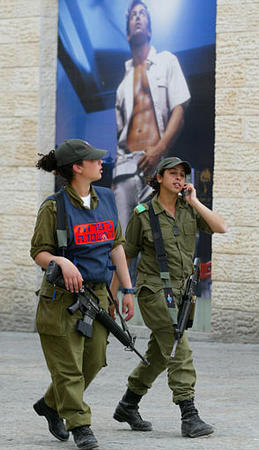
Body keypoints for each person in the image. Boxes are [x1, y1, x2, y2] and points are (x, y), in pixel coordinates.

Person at [111, 156, 227, 438]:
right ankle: (189, 415)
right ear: (159, 178)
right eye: (172, 173)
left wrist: (195, 201)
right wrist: (118, 293)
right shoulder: (142, 213)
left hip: (182, 293)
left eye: (182, 174)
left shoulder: (189, 210)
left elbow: (220, 227)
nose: (178, 178)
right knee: (178, 347)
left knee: (161, 353)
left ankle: (129, 403)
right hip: (153, 292)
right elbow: (126, 255)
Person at [30, 139, 134, 450]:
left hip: (98, 297)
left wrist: (127, 288)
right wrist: (60, 261)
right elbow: (39, 252)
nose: (100, 163)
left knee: (94, 360)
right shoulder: (53, 207)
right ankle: (80, 425)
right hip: (62, 300)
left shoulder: (105, 197)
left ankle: (51, 404)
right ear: (78, 167)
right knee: (69, 367)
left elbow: (116, 246)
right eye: (93, 159)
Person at [113, 0, 191, 233]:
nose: (137, 17)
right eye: (133, 15)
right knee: (123, 243)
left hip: (156, 164)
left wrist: (159, 149)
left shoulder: (167, 61)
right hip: (125, 168)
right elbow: (120, 135)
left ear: (148, 29)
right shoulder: (122, 85)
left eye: (142, 14)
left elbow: (179, 110)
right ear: (128, 33)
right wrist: (116, 176)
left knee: (158, 240)